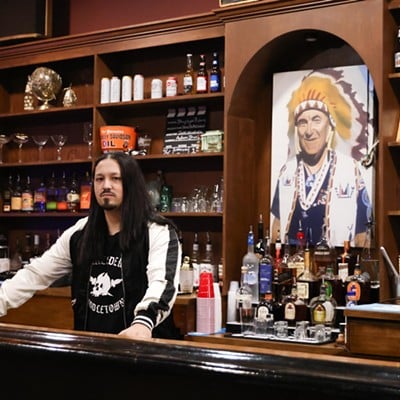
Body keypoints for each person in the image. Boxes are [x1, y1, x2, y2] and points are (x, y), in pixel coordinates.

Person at [0, 152, 182, 340]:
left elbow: (162, 283)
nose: (106, 185)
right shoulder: (79, 233)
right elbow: (35, 274)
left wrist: (143, 323)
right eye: (99, 179)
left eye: (116, 178)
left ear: (131, 184)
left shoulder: (157, 231)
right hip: (91, 350)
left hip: (145, 351)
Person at [270, 71, 373, 248]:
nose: (309, 130)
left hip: (335, 265)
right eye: (302, 122)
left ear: (330, 127)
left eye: (316, 120)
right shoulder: (287, 171)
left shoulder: (349, 170)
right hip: (294, 264)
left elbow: (363, 233)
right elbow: (277, 224)